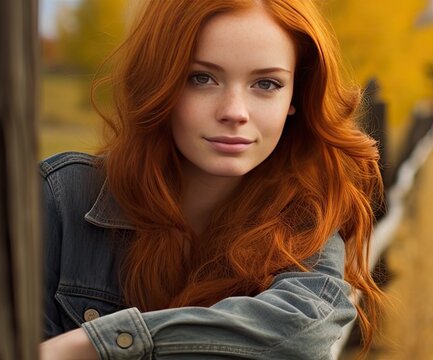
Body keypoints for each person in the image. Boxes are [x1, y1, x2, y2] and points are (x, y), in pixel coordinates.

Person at [38, 0, 383, 358]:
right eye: (201, 78)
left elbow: (300, 333)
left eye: (266, 83)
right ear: (161, 80)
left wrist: (94, 345)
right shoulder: (63, 197)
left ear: (296, 95)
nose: (234, 112)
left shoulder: (305, 221)